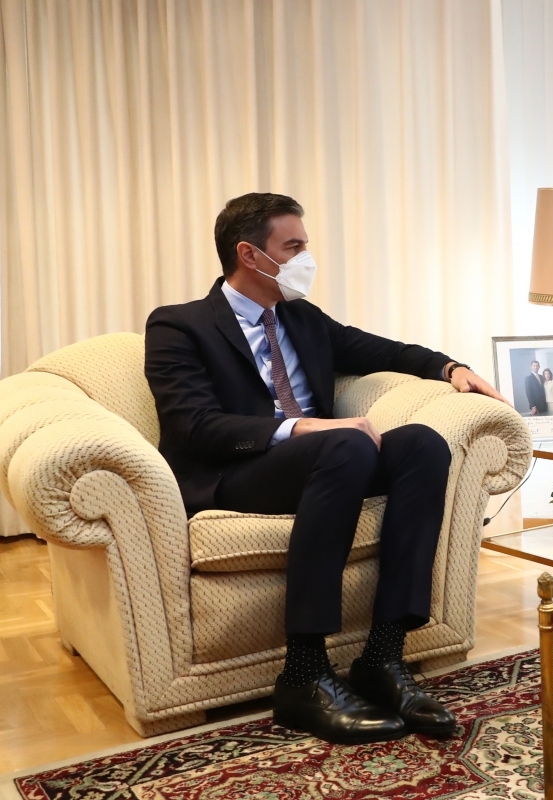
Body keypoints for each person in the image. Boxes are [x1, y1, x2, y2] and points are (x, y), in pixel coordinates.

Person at [144, 193, 507, 745]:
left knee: (423, 445)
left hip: (331, 463)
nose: (305, 258)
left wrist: (450, 367)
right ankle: (304, 674)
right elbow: (194, 425)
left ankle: (383, 657)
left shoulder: (302, 318)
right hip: (237, 473)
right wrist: (306, 428)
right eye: (293, 247)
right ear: (249, 254)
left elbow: (385, 350)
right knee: (348, 445)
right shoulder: (179, 325)